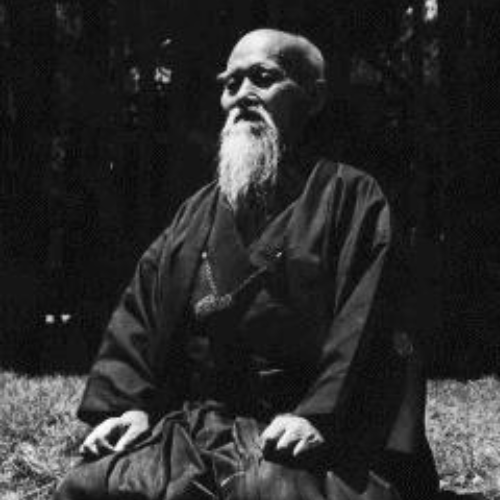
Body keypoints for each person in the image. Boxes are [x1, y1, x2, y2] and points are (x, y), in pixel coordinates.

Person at [55, 29, 438, 500]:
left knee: (277, 491)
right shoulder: (195, 212)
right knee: (91, 486)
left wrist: (318, 416)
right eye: (231, 83)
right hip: (196, 429)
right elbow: (141, 314)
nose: (242, 96)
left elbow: (369, 320)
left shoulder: (352, 196)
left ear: (314, 97)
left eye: (263, 78)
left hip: (296, 431)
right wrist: (129, 405)